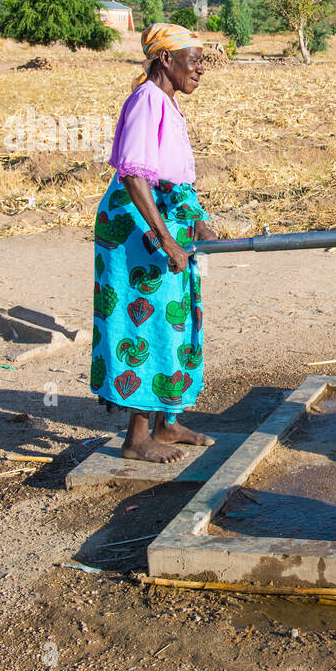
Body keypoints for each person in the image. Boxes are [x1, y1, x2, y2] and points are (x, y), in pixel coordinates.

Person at [91, 23, 221, 463]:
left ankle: (166, 423)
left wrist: (197, 221)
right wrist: (164, 238)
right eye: (195, 59)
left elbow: (174, 177)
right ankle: (136, 438)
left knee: (176, 319)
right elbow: (133, 173)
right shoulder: (147, 100)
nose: (201, 68)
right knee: (147, 325)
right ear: (166, 59)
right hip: (137, 230)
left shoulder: (165, 103)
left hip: (163, 224)